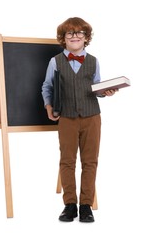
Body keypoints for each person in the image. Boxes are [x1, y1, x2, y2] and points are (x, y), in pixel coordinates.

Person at [42, 17, 117, 223]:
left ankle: (86, 205)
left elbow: (96, 87)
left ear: (86, 38)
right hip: (66, 117)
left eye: (79, 33)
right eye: (70, 33)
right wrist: (49, 106)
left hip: (92, 117)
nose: (75, 36)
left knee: (90, 161)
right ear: (63, 38)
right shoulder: (55, 61)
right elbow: (47, 86)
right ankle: (69, 205)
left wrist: (105, 92)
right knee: (67, 161)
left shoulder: (93, 61)